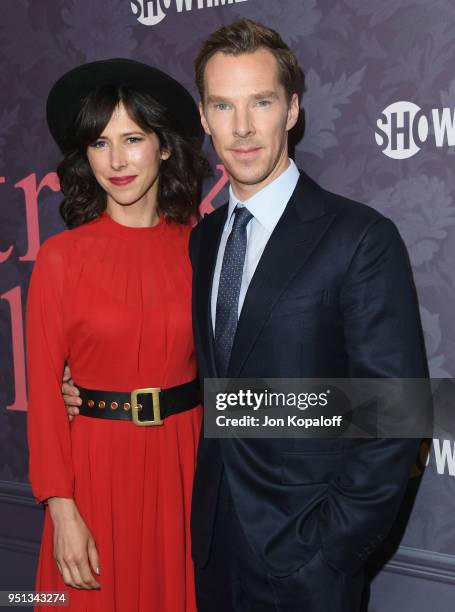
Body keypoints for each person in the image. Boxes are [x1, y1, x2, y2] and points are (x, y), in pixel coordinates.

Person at [63, 20, 427, 612]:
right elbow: (216, 383)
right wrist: (89, 391)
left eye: (260, 102)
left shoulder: (359, 238)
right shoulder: (203, 240)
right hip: (210, 549)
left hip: (308, 563)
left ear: (291, 110)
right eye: (222, 105)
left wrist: (330, 547)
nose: (242, 128)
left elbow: (397, 408)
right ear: (202, 119)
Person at [26, 58, 205, 611]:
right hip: (96, 472)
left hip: (185, 466)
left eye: (132, 139)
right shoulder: (61, 258)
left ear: (165, 147)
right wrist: (62, 507)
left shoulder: (202, 248)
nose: (117, 161)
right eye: (100, 144)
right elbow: (43, 395)